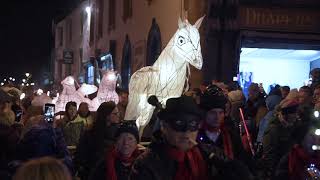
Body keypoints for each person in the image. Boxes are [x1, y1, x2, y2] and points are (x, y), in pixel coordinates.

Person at [130, 95, 253, 180]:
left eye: (193, 124)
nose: (186, 131)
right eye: (179, 124)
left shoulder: (210, 153)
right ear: (164, 127)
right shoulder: (147, 163)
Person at [74, 101, 120, 180]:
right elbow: (80, 156)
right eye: (115, 114)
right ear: (107, 116)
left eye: (118, 113)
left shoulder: (119, 132)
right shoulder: (90, 134)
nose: (118, 115)